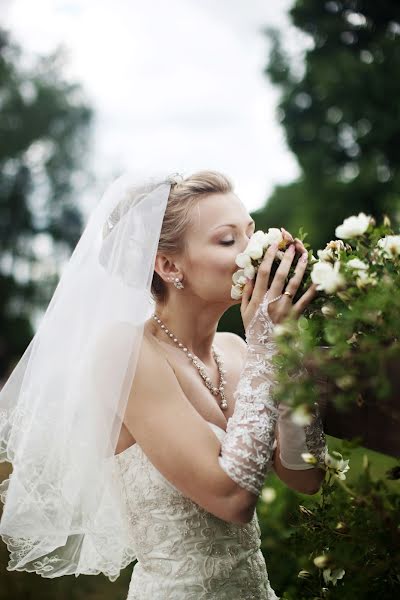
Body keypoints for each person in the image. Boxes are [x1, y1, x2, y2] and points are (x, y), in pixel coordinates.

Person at [0, 169, 327, 599]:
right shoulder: (126, 352)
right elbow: (232, 500)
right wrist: (266, 348)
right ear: (169, 266)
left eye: (252, 232)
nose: (257, 252)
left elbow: (306, 476)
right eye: (229, 240)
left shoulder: (237, 349)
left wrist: (286, 354)